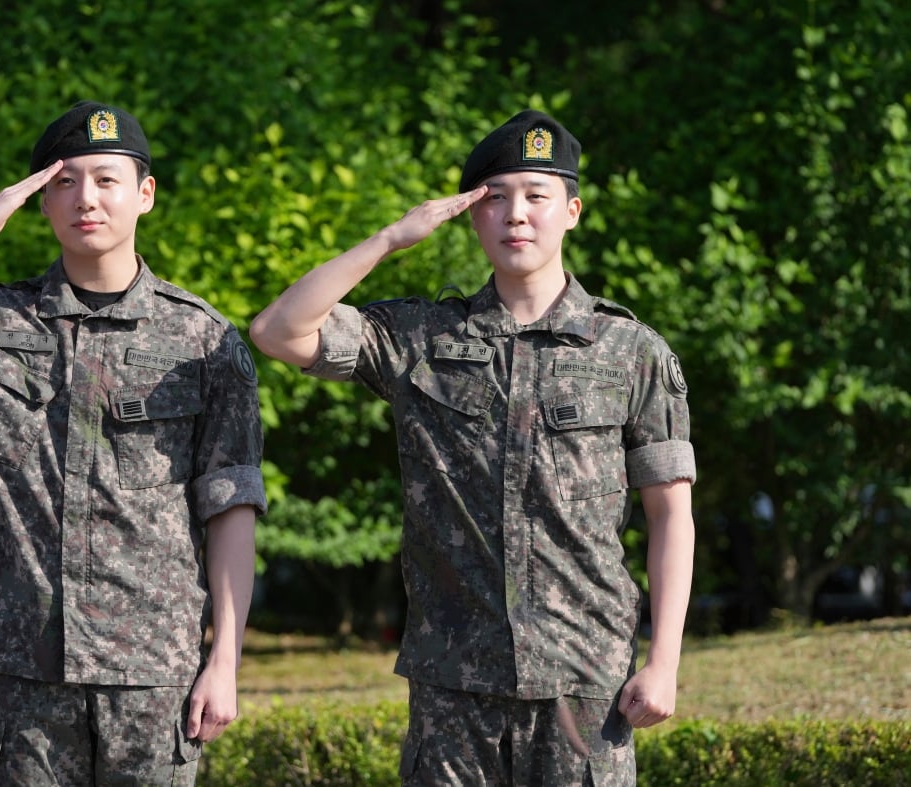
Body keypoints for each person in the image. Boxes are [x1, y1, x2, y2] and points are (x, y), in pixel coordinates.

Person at [249, 109, 695, 785]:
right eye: (496, 198)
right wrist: (390, 239)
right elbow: (279, 330)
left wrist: (665, 661)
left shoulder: (630, 351)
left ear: (571, 211)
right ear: (472, 215)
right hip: (454, 684)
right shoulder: (421, 338)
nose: (517, 214)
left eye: (536, 196)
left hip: (583, 679)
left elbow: (671, 513)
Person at [0, 100, 266, 785]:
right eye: (63, 182)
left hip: (152, 674)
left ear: (145, 193)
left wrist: (225, 662)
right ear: (41, 199)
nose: (85, 199)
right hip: (26, 675)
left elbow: (231, 507)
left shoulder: (205, 343)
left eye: (106, 179)